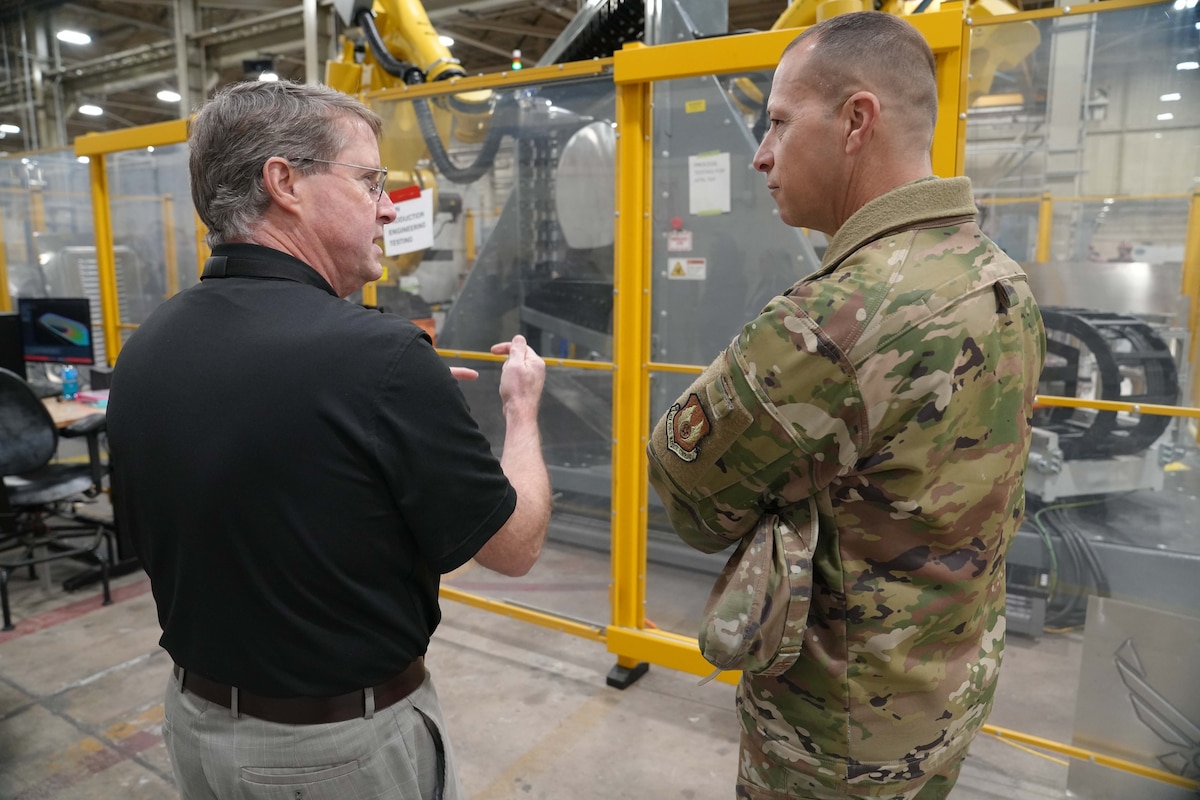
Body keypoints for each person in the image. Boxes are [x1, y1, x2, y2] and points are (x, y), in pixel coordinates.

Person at [107, 80, 551, 800]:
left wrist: (383, 392)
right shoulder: (380, 361)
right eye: (370, 179)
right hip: (334, 757)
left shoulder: (149, 346)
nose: (385, 206)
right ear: (284, 182)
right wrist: (522, 411)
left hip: (194, 729)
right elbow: (515, 546)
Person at [646, 12, 1045, 800]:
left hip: (834, 738)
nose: (762, 154)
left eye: (781, 123)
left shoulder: (836, 320)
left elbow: (688, 495)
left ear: (856, 121)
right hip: (945, 698)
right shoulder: (1000, 277)